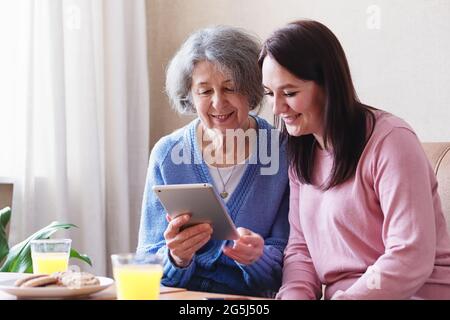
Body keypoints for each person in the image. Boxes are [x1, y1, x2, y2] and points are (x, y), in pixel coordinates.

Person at [259, 20, 450, 299]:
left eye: (289, 93)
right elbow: (302, 252)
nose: (277, 108)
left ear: (328, 85)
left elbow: (410, 255)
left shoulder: (391, 140)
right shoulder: (302, 151)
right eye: (269, 94)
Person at [137, 25, 289, 297]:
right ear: (191, 95)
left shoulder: (282, 151)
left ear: (252, 90)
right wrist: (177, 258)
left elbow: (291, 260)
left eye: (230, 88)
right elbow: (145, 260)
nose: (219, 103)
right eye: (205, 91)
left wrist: (258, 257)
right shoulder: (167, 155)